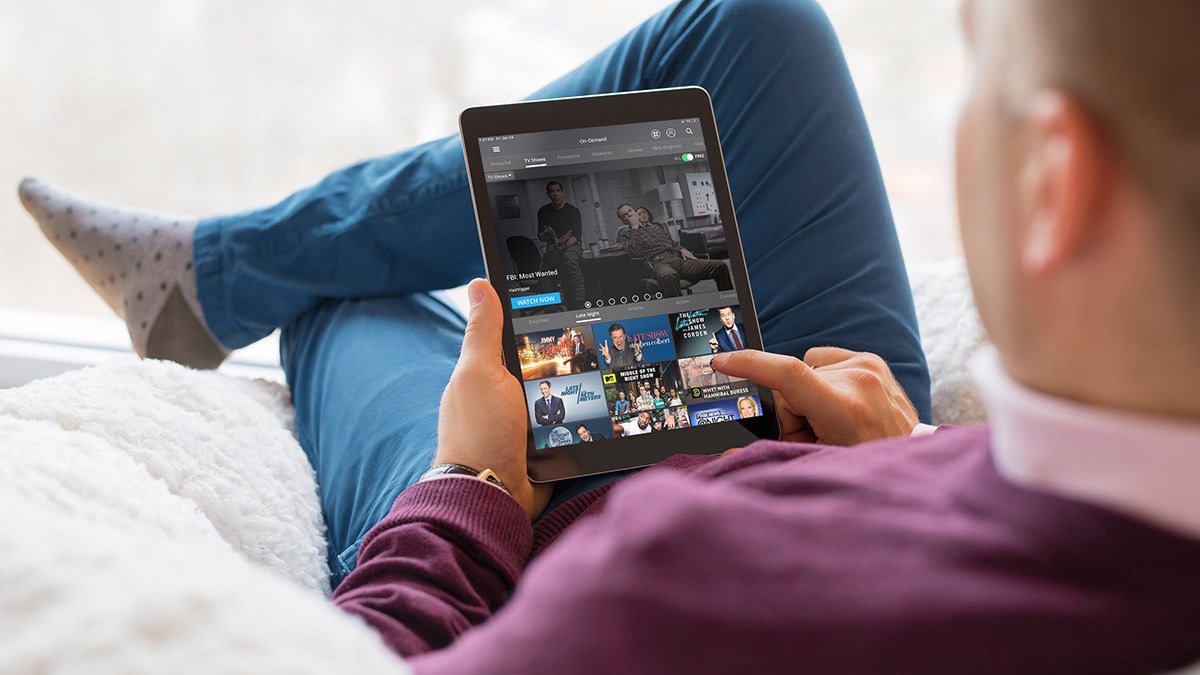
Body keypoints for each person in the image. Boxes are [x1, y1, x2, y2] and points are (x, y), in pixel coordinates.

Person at [36, 0, 1200, 670]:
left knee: (353, 306)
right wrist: (891, 460)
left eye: (975, 64)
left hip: (556, 522)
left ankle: (230, 276)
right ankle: (223, 269)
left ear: (1056, 184)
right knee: (755, 21)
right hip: (856, 446)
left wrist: (476, 477)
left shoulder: (660, 590)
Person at [616, 202, 732, 297]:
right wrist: (635, 227)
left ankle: (728, 304)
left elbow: (671, 243)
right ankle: (680, 314)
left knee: (720, 266)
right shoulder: (626, 234)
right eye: (625, 215)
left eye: (630, 211)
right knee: (669, 275)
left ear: (635, 212)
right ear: (623, 221)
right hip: (657, 264)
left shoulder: (656, 227)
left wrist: (681, 249)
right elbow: (635, 252)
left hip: (677, 259)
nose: (629, 215)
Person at [537, 180, 586, 309]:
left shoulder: (573, 211)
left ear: (562, 192)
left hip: (571, 245)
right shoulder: (543, 211)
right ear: (548, 194)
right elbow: (540, 236)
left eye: (558, 191)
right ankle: (549, 304)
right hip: (553, 245)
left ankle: (578, 301)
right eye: (552, 192)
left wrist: (563, 246)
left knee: (569, 260)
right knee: (545, 268)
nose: (555, 194)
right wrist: (547, 235)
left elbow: (576, 235)